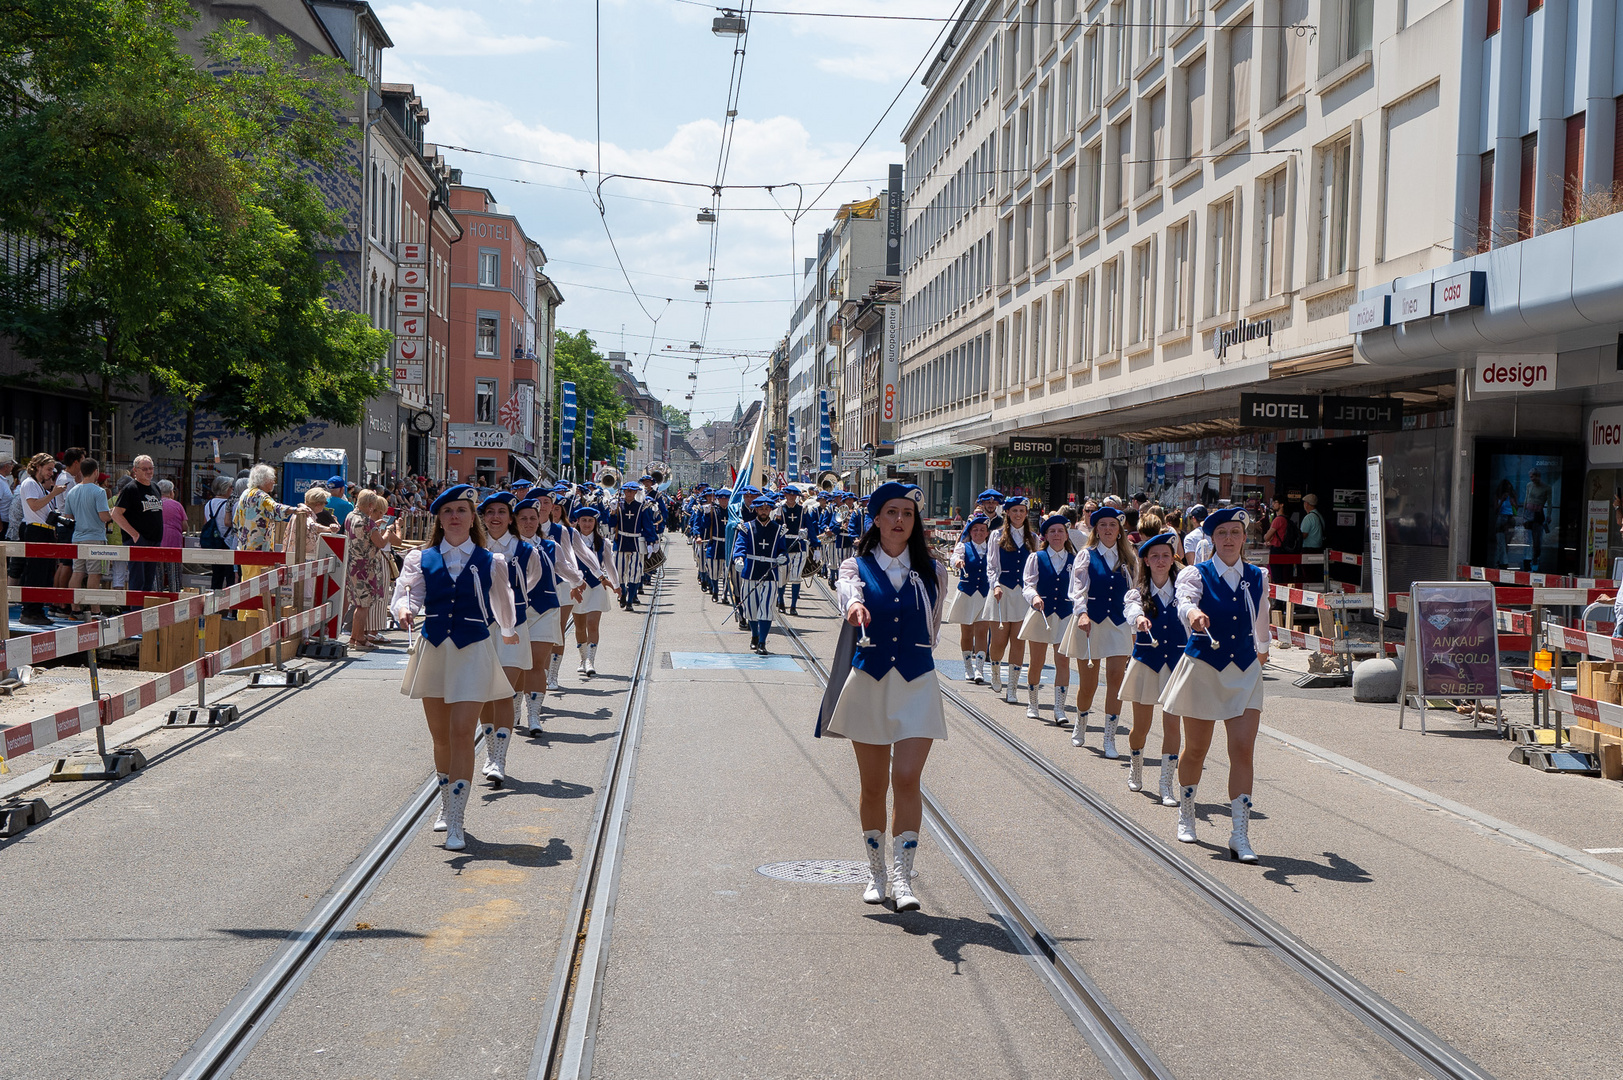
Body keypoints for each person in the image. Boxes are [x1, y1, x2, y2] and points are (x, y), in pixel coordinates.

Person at [818, 482, 947, 912]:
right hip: (871, 682)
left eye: (907, 514)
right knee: (873, 786)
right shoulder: (854, 566)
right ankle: (875, 874)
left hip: (916, 682)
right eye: (891, 512)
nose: (899, 521)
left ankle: (902, 878)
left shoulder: (934, 571)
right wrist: (854, 608)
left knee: (907, 778)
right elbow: (849, 595)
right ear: (875, 518)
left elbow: (934, 628)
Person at [391, 484, 520, 850]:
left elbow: (502, 599)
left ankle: (458, 822)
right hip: (434, 651)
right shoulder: (421, 558)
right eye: (447, 511)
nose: (454, 517)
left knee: (463, 731)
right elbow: (407, 591)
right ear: (439, 518)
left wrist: (508, 631)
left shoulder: (490, 561)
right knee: (441, 737)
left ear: (471, 517)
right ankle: (446, 805)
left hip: (473, 651)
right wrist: (404, 609)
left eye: (461, 510)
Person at [1160, 505, 1269, 862]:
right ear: (1212, 538)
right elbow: (1183, 600)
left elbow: (1261, 618)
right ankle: (1187, 811)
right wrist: (1192, 613)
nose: (1228, 539)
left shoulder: (1258, 575)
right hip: (1204, 666)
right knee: (1196, 749)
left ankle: (1240, 834)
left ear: (1243, 537)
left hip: (1245, 669)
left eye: (1235, 533)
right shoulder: (1196, 572)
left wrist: (1263, 650)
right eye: (1221, 533)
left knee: (1242, 749)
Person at [476, 491, 542, 785]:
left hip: (514, 629)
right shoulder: (473, 547)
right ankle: (490, 752)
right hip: (480, 629)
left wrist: (510, 605)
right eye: (490, 512)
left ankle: (499, 758)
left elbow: (534, 579)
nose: (496, 517)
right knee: (484, 693)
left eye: (502, 512)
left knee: (504, 691)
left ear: (510, 517)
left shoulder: (525, 549)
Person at [1061, 505, 1137, 754]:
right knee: (1089, 684)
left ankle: (1109, 737)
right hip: (1090, 622)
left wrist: (1137, 621)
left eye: (1112, 525)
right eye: (1102, 525)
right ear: (1096, 529)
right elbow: (1078, 590)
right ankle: (1081, 723)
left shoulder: (1129, 558)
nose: (1107, 529)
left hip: (1118, 622)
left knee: (1116, 679)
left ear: (1119, 530)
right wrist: (1081, 613)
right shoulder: (1086, 555)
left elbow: (1135, 592)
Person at [1119, 532, 1188, 803]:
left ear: (1173, 560)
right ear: (1146, 561)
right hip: (1147, 662)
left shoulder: (1184, 593)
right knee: (1141, 727)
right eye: (1155, 556)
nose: (1161, 561)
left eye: (1166, 556)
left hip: (1176, 663)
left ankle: (1166, 783)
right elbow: (1131, 609)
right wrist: (1139, 620)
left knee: (1173, 726)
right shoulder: (1137, 593)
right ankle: (1136, 767)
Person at [512, 493, 586, 734]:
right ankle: (514, 706)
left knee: (535, 662)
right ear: (515, 521)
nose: (528, 523)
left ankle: (534, 714)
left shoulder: (550, 546)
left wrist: (578, 581)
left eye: (532, 518)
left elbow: (565, 567)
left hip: (545, 609)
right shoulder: (507, 547)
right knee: (517, 664)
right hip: (515, 613)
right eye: (523, 518)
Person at [1020, 514, 1077, 723]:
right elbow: (1028, 584)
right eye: (1052, 531)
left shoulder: (1075, 560)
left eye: (1060, 531)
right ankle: (1032, 703)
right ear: (1045, 535)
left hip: (1064, 614)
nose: (1056, 535)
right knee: (1037, 661)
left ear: (1066, 534)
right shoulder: (1037, 557)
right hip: (1041, 614)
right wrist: (1033, 597)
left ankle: (1059, 709)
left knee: (1063, 661)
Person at [984, 496, 1035, 702]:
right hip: (1002, 591)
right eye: (1014, 511)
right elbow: (991, 566)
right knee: (998, 642)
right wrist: (995, 584)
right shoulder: (996, 536)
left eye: (1022, 511)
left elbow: (1034, 569)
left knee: (1019, 642)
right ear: (1007, 513)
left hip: (1022, 594)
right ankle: (995, 669)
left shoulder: (1033, 538)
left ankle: (1012, 687)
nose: (1018, 515)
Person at [733, 494, 787, 654]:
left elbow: (783, 550)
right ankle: (755, 636)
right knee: (751, 608)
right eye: (761, 508)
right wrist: (739, 558)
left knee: (766, 608)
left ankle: (762, 642)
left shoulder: (779, 530)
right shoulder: (746, 527)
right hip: (751, 571)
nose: (764, 511)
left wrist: (783, 557)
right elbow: (740, 545)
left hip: (769, 574)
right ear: (756, 509)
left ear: (771, 509)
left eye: (766, 508)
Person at [344, 491, 398, 650]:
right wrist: (387, 531)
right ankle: (360, 639)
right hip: (366, 568)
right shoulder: (368, 522)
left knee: (358, 603)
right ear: (370, 505)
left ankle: (354, 637)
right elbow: (380, 543)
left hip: (353, 565)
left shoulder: (350, 517)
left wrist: (376, 526)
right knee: (364, 605)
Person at [16, 453, 66, 624]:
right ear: (38, 466)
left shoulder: (38, 485)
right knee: (34, 573)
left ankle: (37, 611)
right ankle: (30, 611)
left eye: (52, 469)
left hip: (44, 530)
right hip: (36, 530)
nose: (51, 473)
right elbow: (34, 505)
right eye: (48, 469)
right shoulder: (30, 483)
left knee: (43, 574)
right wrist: (54, 494)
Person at [569, 504, 618, 676]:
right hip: (579, 587)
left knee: (593, 624)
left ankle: (591, 660)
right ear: (578, 522)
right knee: (580, 626)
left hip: (597, 586)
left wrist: (616, 584)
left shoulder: (603, 543)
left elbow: (610, 566)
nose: (587, 524)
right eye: (584, 521)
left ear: (595, 523)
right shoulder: (571, 541)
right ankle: (583, 658)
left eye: (590, 521)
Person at [946, 514, 993, 683]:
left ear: (987, 533)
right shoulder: (963, 547)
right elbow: (954, 558)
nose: (979, 533)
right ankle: (968, 667)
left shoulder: (992, 549)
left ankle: (979, 669)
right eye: (975, 530)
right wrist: (958, 562)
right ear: (970, 532)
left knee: (982, 631)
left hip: (985, 595)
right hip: (967, 593)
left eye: (982, 530)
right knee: (967, 633)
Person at [64, 458, 113, 616]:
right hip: (95, 536)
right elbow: (104, 517)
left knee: (77, 572)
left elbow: (68, 516)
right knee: (94, 573)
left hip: (77, 536)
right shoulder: (99, 492)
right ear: (96, 472)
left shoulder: (72, 491)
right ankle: (95, 610)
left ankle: (75, 608)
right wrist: (112, 514)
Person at [109, 456, 164, 595]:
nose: (149, 472)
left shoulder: (155, 487)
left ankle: (143, 611)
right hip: (138, 540)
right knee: (138, 579)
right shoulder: (131, 489)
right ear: (135, 471)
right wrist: (134, 534)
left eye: (151, 468)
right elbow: (115, 514)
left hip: (154, 541)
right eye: (144, 469)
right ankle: (135, 611)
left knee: (149, 580)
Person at [232, 464, 306, 563]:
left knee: (247, 577)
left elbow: (235, 521)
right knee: (259, 577)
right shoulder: (261, 496)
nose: (274, 482)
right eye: (272, 479)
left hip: (244, 548)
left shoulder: (245, 493)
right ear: (264, 480)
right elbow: (276, 509)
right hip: (259, 551)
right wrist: (295, 509)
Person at [608, 482, 659, 609]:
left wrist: (651, 542)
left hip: (636, 542)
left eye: (631, 491)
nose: (629, 493)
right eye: (627, 491)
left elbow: (647, 526)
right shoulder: (618, 505)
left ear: (636, 492)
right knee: (619, 572)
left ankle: (630, 600)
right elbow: (611, 524)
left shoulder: (642, 507)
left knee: (635, 572)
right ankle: (623, 594)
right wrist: (612, 512)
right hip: (620, 542)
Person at [775, 485, 811, 615]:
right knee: (782, 576)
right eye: (789, 495)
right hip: (783, 546)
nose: (791, 497)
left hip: (798, 545)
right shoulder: (780, 509)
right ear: (785, 495)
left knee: (796, 577)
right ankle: (781, 601)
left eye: (794, 495)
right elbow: (774, 528)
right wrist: (776, 519)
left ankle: (794, 606)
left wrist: (816, 544)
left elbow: (810, 527)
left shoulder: (802, 510)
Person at [200, 476, 239, 593]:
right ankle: (230, 607)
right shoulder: (230, 504)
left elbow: (205, 523)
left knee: (216, 576)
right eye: (231, 487)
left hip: (214, 543)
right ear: (226, 489)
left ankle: (214, 606)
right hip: (228, 543)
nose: (232, 490)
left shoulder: (209, 504)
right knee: (230, 578)